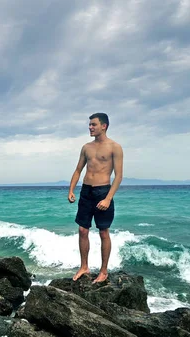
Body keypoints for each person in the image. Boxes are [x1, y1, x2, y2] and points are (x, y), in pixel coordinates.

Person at [68, 112, 123, 283]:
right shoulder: (86, 147)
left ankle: (104, 271)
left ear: (104, 126)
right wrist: (71, 190)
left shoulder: (115, 147)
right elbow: (78, 170)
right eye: (90, 125)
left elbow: (119, 176)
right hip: (86, 191)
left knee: (103, 232)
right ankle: (84, 267)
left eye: (93, 124)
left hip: (103, 191)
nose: (90, 127)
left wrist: (108, 198)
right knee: (82, 230)